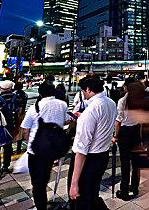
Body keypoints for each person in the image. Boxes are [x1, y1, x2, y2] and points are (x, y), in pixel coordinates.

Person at [69, 77, 117, 209]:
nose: (83, 94)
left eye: (83, 91)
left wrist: (74, 183)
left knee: (82, 199)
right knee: (92, 193)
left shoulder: (90, 111)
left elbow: (82, 151)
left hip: (88, 161)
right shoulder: (111, 103)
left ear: (88, 90)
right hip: (102, 157)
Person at [21, 82, 68, 210]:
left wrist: (30, 142)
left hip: (36, 151)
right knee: (45, 176)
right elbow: (66, 120)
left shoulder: (34, 107)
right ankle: (43, 196)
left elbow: (25, 130)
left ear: (40, 94)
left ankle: (41, 206)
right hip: (53, 148)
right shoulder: (62, 105)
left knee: (36, 183)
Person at [112, 77, 141, 201]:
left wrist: (115, 136)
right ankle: (134, 187)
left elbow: (118, 121)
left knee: (125, 162)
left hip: (124, 133)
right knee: (136, 163)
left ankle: (124, 191)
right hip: (136, 131)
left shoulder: (122, 101)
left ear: (126, 87)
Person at [0, 80, 19, 175]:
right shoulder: (16, 98)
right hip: (10, 125)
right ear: (11, 88)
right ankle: (6, 166)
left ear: (0, 88)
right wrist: (17, 126)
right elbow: (19, 112)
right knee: (8, 147)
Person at [13, 82, 28, 154]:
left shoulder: (14, 94)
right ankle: (18, 148)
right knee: (20, 132)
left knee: (13, 131)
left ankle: (10, 149)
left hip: (14, 114)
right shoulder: (25, 95)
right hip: (22, 114)